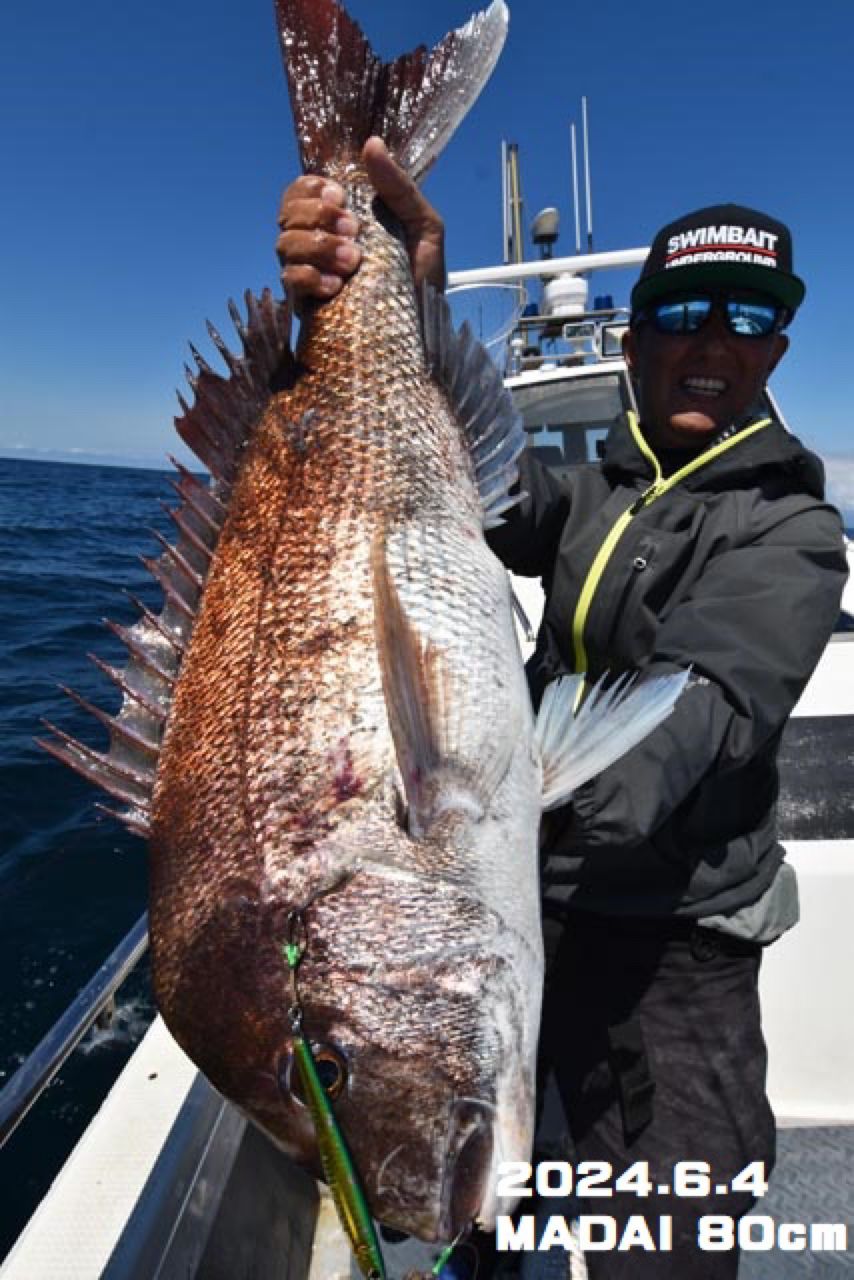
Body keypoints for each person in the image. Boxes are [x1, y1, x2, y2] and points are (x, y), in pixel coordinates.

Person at [275, 140, 848, 1278]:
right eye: (683, 311)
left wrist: (491, 819)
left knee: (672, 1235)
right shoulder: (590, 492)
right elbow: (457, 489)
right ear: (635, 342)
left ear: (773, 348)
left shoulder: (792, 531)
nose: (711, 341)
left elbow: (714, 707)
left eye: (745, 317)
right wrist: (405, 287)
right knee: (492, 1194)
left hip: (672, 950)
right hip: (525, 914)